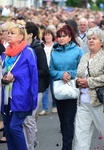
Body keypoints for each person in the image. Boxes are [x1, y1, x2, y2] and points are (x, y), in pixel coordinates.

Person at [74, 27, 104, 150]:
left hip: (100, 102)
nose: (91, 41)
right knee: (81, 136)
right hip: (83, 102)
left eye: (94, 38)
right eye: (89, 39)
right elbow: (78, 75)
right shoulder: (84, 57)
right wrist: (77, 82)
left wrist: (89, 82)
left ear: (101, 41)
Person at [1, 23, 38, 150]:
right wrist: (4, 79)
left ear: (21, 37)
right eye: (8, 33)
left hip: (22, 96)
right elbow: (3, 73)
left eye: (13, 33)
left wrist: (33, 100)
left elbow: (34, 77)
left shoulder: (28, 52)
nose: (9, 35)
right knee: (7, 128)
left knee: (14, 127)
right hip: (7, 96)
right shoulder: (6, 54)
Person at [50, 24, 84, 150]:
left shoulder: (78, 50)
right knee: (62, 120)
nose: (61, 38)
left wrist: (70, 74)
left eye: (64, 36)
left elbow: (82, 69)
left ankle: (67, 147)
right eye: (59, 36)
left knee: (68, 120)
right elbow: (51, 70)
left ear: (70, 37)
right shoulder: (54, 51)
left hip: (72, 88)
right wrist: (61, 74)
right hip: (59, 88)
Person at [23, 21, 49, 149]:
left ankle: (30, 146)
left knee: (29, 118)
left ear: (31, 34)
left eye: (24, 31)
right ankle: (30, 142)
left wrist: (28, 72)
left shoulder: (38, 48)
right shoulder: (23, 47)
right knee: (25, 119)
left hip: (37, 88)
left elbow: (44, 70)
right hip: (26, 87)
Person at [39, 29, 57, 115]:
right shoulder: (41, 46)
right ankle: (45, 108)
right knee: (44, 90)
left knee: (54, 89)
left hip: (53, 70)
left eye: (49, 35)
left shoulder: (56, 46)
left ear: (52, 36)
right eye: (46, 35)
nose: (47, 36)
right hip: (44, 71)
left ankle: (54, 106)